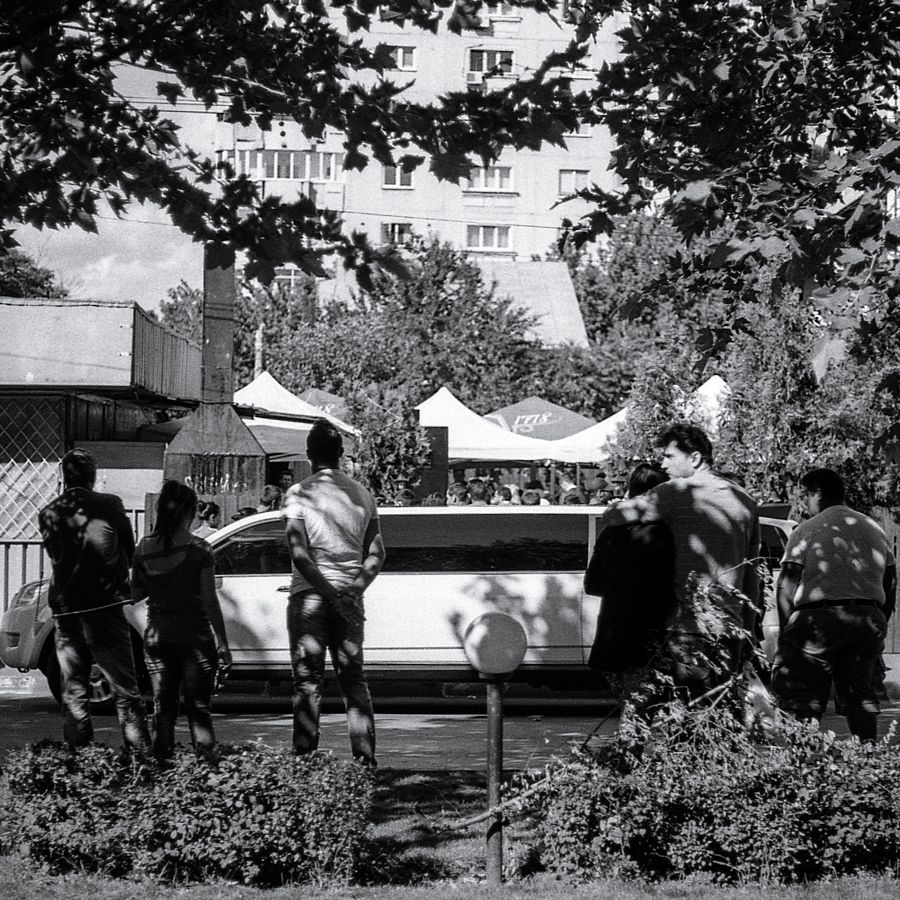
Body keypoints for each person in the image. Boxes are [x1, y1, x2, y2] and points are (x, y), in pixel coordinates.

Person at [598, 423, 761, 696]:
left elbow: (613, 516)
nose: (663, 464)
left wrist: (622, 501)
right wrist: (749, 630)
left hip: (689, 626)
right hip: (730, 627)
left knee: (690, 712)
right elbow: (752, 572)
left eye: (670, 456)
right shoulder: (745, 500)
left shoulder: (676, 493)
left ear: (695, 458)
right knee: (720, 714)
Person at [283, 419, 386, 765]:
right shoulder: (362, 495)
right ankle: (364, 760)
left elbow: (300, 555)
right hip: (349, 597)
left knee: (308, 681)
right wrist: (351, 593)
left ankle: (304, 759)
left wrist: (328, 594)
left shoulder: (299, 494)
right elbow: (377, 554)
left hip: (310, 598)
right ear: (341, 454)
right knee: (353, 679)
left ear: (309, 454)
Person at [37, 448, 150, 750]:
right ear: (93, 477)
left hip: (66, 609)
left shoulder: (47, 512)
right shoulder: (110, 504)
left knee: (74, 692)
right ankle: (141, 763)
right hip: (105, 606)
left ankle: (79, 761)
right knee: (126, 691)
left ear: (63, 478)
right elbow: (128, 547)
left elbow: (58, 555)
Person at [772, 468, 897, 742]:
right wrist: (879, 618)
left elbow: (787, 583)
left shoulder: (808, 529)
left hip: (817, 621)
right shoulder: (873, 528)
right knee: (861, 698)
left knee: (803, 699)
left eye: (806, 495)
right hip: (865, 619)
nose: (805, 502)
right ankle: (867, 756)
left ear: (817, 493)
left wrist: (787, 629)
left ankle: (801, 762)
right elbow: (890, 581)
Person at [132, 481, 232, 762]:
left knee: (163, 708)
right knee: (199, 709)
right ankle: (206, 771)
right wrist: (222, 643)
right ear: (189, 511)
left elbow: (136, 592)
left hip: (157, 638)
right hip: (194, 638)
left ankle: (161, 772)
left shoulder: (144, 548)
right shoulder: (200, 549)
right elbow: (209, 600)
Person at [586, 463, 675, 672]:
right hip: (650, 636)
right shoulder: (664, 533)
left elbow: (592, 585)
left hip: (612, 635)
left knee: (628, 699)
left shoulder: (610, 531)